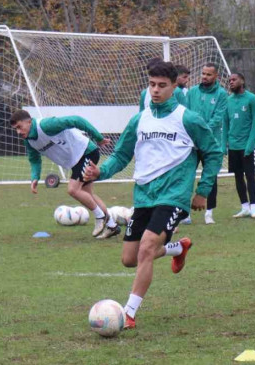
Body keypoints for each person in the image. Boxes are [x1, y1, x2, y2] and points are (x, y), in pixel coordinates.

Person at [84, 61, 221, 330]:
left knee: (147, 247)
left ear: (174, 87)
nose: (155, 90)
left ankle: (129, 313)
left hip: (174, 195)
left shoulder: (188, 119)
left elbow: (214, 153)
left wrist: (202, 191)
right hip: (144, 195)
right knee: (129, 259)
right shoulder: (139, 119)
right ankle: (178, 247)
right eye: (152, 85)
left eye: (162, 85)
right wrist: (100, 172)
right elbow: (122, 155)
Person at [9, 110, 120, 239]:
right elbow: (34, 160)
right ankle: (112, 226)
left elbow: (76, 120)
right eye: (15, 129)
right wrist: (35, 177)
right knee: (87, 194)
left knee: (73, 190)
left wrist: (98, 138)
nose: (18, 132)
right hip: (76, 161)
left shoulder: (46, 125)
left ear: (29, 121)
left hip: (86, 152)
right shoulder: (29, 141)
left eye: (19, 127)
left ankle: (99, 216)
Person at [185, 62, 228, 225]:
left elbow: (218, 118)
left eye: (209, 74)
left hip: (211, 143)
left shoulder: (222, 94)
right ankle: (185, 212)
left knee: (211, 177)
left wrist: (202, 132)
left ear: (216, 76)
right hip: (191, 143)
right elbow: (186, 113)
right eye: (203, 73)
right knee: (187, 175)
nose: (204, 76)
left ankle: (209, 213)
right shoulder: (192, 92)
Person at [223, 72, 255, 219]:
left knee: (250, 177)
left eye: (234, 79)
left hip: (247, 147)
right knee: (238, 177)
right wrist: (224, 145)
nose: (231, 82)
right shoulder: (228, 100)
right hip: (233, 147)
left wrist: (250, 145)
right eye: (230, 80)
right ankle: (244, 207)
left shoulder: (252, 99)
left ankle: (254, 208)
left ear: (242, 81)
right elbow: (225, 123)